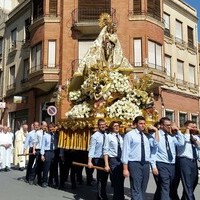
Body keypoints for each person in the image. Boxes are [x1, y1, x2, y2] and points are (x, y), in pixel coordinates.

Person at [122, 116, 159, 200]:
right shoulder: (130, 135)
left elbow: (156, 144)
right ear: (135, 124)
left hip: (145, 164)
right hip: (135, 163)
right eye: (140, 123)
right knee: (136, 186)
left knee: (143, 187)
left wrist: (156, 131)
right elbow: (125, 151)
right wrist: (125, 168)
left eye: (144, 123)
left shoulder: (146, 136)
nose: (143, 125)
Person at [151, 117, 185, 200]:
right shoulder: (156, 135)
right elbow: (153, 151)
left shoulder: (171, 137)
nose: (169, 127)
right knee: (165, 186)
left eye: (170, 125)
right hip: (161, 164)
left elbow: (181, 143)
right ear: (161, 125)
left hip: (171, 165)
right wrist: (153, 166)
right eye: (167, 125)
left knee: (168, 186)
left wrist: (178, 131)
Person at [175, 120, 200, 200]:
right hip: (184, 160)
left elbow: (198, 145)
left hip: (193, 161)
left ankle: (185, 198)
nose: (194, 128)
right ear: (186, 127)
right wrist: (187, 131)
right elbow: (183, 143)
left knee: (194, 182)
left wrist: (195, 135)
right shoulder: (181, 135)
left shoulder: (195, 137)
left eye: (195, 127)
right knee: (187, 183)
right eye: (192, 127)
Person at [88, 119, 109, 200]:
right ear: (98, 125)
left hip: (106, 159)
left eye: (104, 124)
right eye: (101, 124)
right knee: (100, 178)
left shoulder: (107, 135)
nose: (103, 126)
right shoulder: (95, 136)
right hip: (98, 159)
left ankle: (103, 194)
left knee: (105, 178)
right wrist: (90, 161)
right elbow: (91, 149)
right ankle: (100, 197)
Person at [104, 121, 124, 200]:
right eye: (115, 126)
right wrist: (106, 164)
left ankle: (121, 197)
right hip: (113, 160)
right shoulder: (108, 136)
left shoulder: (120, 136)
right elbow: (106, 151)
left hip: (121, 160)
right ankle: (116, 198)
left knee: (121, 181)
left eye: (118, 125)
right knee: (116, 181)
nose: (117, 127)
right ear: (111, 127)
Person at [40, 123, 56, 188]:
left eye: (53, 127)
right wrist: (42, 155)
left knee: (53, 168)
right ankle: (44, 181)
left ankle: (50, 181)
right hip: (48, 152)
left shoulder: (56, 135)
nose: (51, 129)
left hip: (54, 152)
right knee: (46, 168)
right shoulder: (45, 135)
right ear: (48, 128)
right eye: (50, 127)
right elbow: (42, 146)